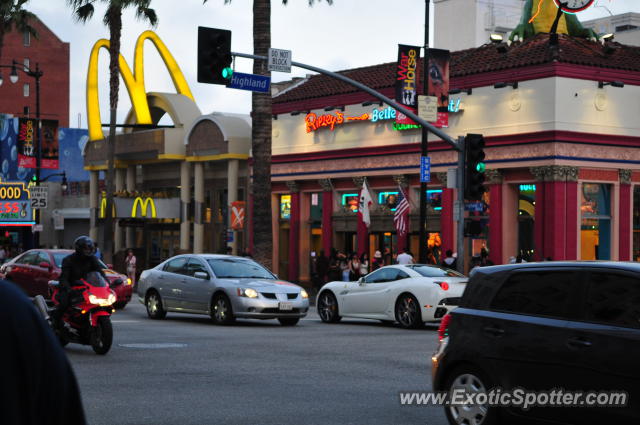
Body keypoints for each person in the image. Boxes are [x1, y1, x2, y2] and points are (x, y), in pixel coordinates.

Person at [0, 280, 86, 425]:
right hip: (69, 294)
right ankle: (58, 322)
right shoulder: (11, 305)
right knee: (63, 305)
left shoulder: (12, 305)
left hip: (84, 293)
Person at [51, 236, 106, 329]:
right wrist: (68, 289)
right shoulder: (68, 260)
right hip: (70, 286)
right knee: (64, 303)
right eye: (86, 249)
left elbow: (100, 272)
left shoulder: (92, 259)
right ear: (79, 249)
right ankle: (55, 323)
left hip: (86, 287)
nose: (88, 251)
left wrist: (107, 285)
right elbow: (64, 277)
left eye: (90, 248)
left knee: (101, 302)